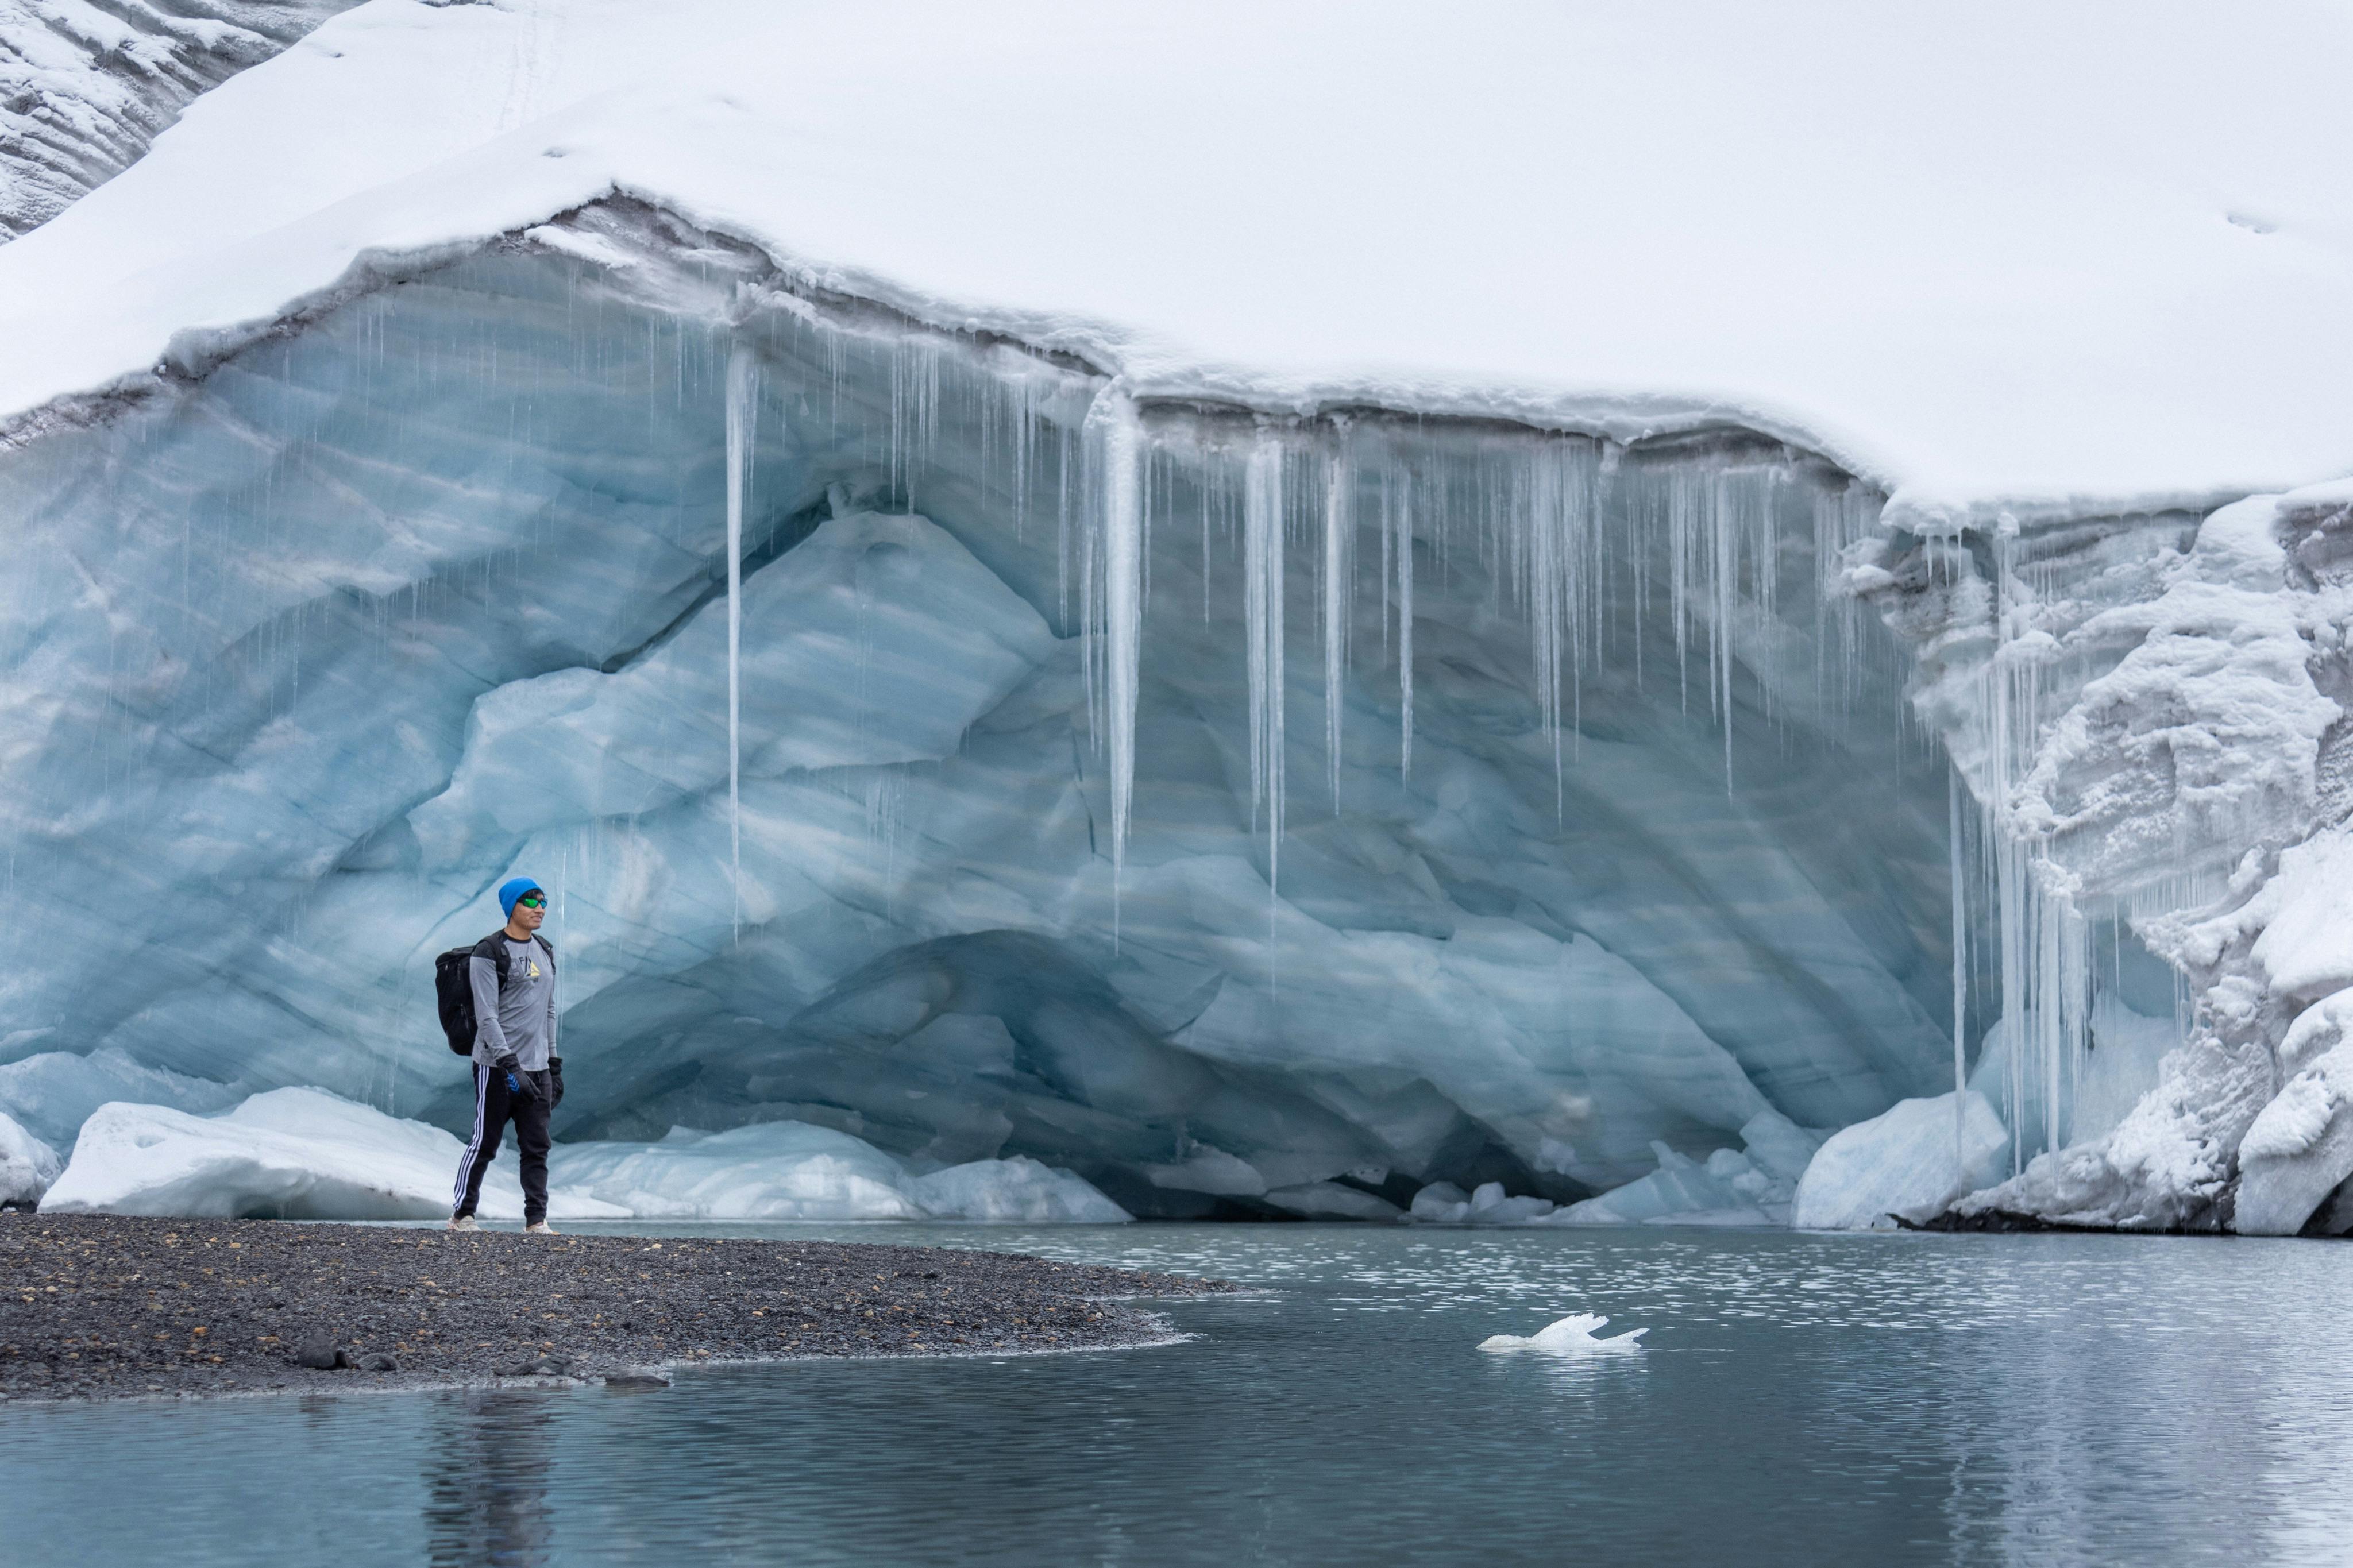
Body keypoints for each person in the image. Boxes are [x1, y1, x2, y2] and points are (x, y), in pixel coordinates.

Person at [448, 877, 564, 1234]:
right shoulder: (489, 952)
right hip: (496, 1067)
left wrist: (554, 1065)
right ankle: (462, 1215)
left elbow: (549, 1010)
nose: (540, 908)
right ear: (512, 906)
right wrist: (510, 1064)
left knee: (537, 1146)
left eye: (543, 901)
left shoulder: (544, 950)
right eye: (531, 902)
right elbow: (486, 1016)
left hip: (538, 1067)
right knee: (485, 1141)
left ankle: (536, 1222)